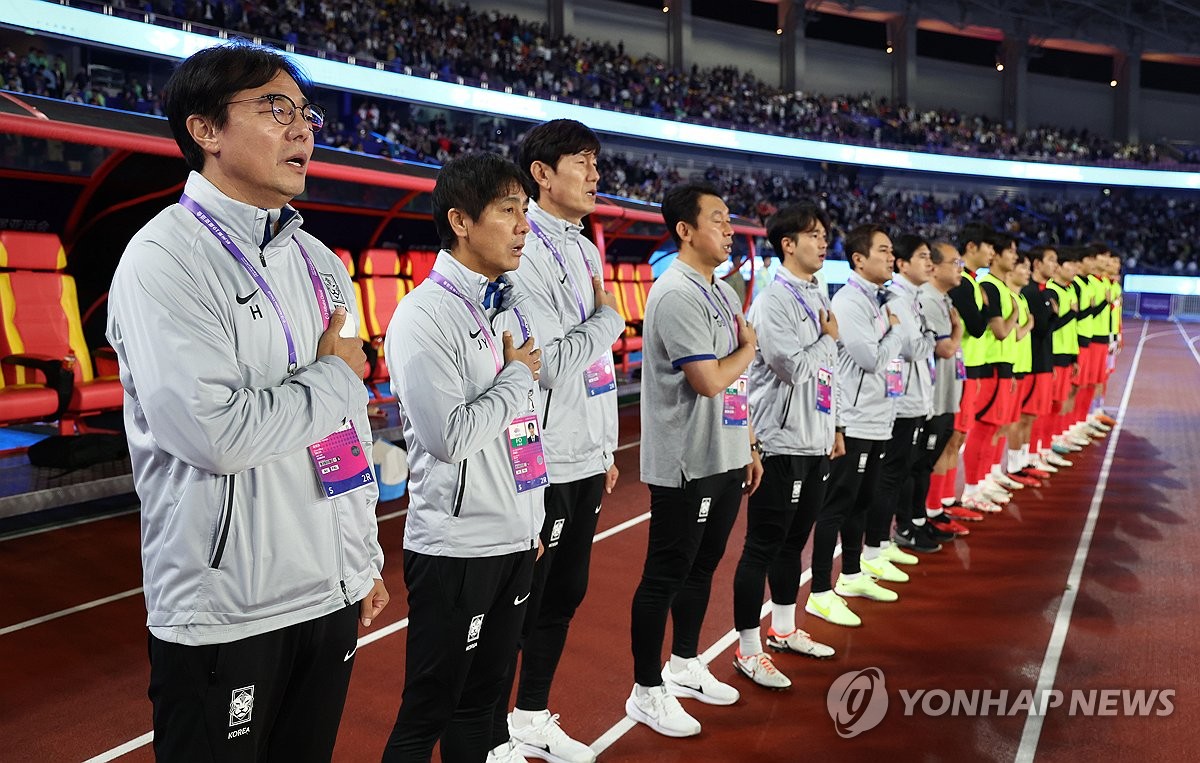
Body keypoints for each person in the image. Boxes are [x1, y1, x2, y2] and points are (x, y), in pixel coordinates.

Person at [107, 42, 388, 761]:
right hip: (225, 611)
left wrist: (360, 560)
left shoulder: (322, 263)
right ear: (205, 130)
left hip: (326, 591)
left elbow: (344, 432)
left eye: (305, 113)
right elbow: (215, 435)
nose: (303, 130)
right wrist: (334, 378)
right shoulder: (162, 258)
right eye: (275, 109)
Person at [382, 153, 545, 762]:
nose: (524, 226)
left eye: (525, 211)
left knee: (482, 708)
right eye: (509, 211)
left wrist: (530, 514)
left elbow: (520, 424)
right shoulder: (424, 315)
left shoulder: (500, 303)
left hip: (512, 538)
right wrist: (515, 378)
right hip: (457, 548)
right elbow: (448, 436)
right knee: (428, 711)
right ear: (460, 220)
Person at [489, 119, 625, 763]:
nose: (595, 173)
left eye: (597, 162)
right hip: (539, 457)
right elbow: (553, 360)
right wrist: (609, 319)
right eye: (581, 161)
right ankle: (487, 734)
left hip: (584, 453)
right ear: (541, 173)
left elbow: (589, 369)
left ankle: (532, 715)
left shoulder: (584, 247)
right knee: (519, 601)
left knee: (563, 594)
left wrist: (605, 452)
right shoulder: (526, 248)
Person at [628, 182, 763, 737]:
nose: (730, 228)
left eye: (730, 219)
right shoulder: (677, 292)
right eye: (717, 219)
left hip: (725, 452)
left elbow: (736, 385)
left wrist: (748, 442)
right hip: (687, 462)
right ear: (685, 230)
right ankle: (645, 690)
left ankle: (684, 663)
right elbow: (709, 380)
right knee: (665, 575)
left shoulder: (723, 291)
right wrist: (750, 348)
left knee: (703, 567)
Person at [731, 202, 840, 691]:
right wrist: (828, 339)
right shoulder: (775, 300)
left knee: (794, 542)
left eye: (824, 235)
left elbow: (824, 372)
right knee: (762, 547)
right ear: (787, 244)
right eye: (813, 235)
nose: (823, 242)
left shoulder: (817, 291)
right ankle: (748, 650)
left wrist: (834, 427)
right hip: (780, 441)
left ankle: (784, 628)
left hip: (815, 438)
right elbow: (791, 365)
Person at [804, 223, 904, 629]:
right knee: (836, 506)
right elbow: (871, 359)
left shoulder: (879, 300)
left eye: (892, 250)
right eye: (883, 250)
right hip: (856, 418)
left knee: (861, 503)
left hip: (879, 416)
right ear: (859, 259)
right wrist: (896, 330)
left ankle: (852, 573)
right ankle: (820, 593)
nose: (891, 257)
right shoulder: (849, 301)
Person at [868, 233, 951, 560]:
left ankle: (894, 535)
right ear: (903, 264)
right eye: (922, 257)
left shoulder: (912, 296)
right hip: (901, 399)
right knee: (892, 475)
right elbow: (914, 347)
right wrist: (932, 334)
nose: (929, 263)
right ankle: (882, 543)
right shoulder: (899, 298)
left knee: (902, 471)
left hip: (914, 395)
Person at [943, 223, 1004, 513]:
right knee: (953, 439)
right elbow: (979, 328)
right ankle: (939, 504)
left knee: (958, 437)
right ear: (971, 248)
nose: (991, 253)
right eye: (988, 247)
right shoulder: (966, 284)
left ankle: (944, 502)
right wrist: (989, 309)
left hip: (971, 368)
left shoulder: (972, 282)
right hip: (963, 366)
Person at [917, 241, 974, 533]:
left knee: (938, 452)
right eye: (955, 263)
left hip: (947, 392)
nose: (960, 268)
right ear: (934, 267)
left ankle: (931, 510)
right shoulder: (927, 299)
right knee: (924, 460)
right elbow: (946, 348)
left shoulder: (945, 299)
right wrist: (958, 332)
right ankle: (922, 514)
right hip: (933, 397)